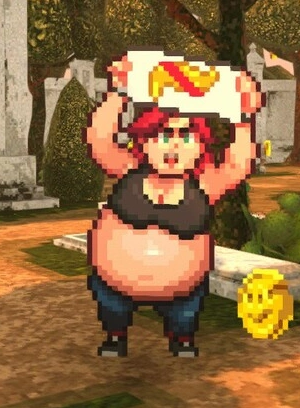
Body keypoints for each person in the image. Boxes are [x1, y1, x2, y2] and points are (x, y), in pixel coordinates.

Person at [84, 52, 264, 357]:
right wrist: (119, 92)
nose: (174, 144)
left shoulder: (204, 183)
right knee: (111, 304)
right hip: (114, 284)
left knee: (185, 311)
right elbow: (99, 141)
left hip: (182, 289)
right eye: (164, 134)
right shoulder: (128, 169)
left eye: (185, 135)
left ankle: (182, 337)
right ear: (144, 140)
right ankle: (115, 335)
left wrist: (244, 116)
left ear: (201, 145)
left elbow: (238, 164)